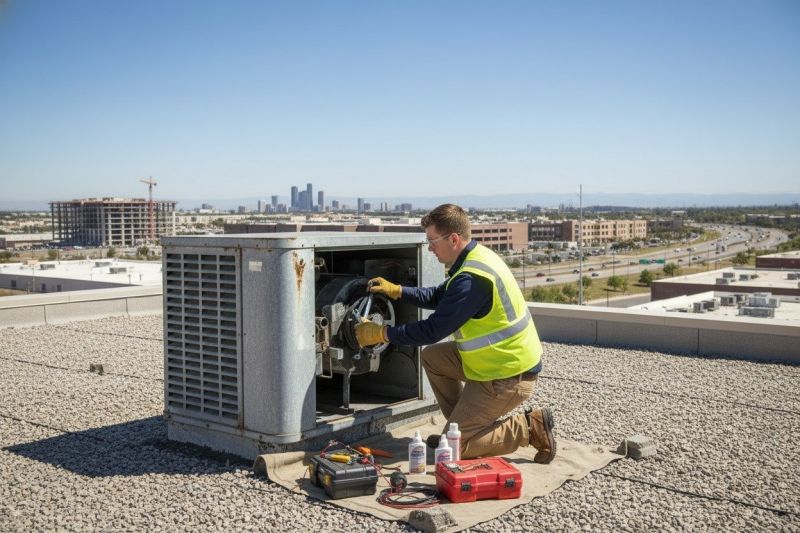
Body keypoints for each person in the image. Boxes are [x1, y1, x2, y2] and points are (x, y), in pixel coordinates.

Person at [355, 203, 555, 462]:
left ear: (453, 239)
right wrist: (399, 291)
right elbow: (439, 295)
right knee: (433, 358)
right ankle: (460, 428)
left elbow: (432, 329)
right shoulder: (475, 257)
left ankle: (529, 427)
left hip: (508, 375)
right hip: (493, 363)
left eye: (432, 241)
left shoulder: (472, 279)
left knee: (454, 450)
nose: (430, 248)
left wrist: (382, 334)